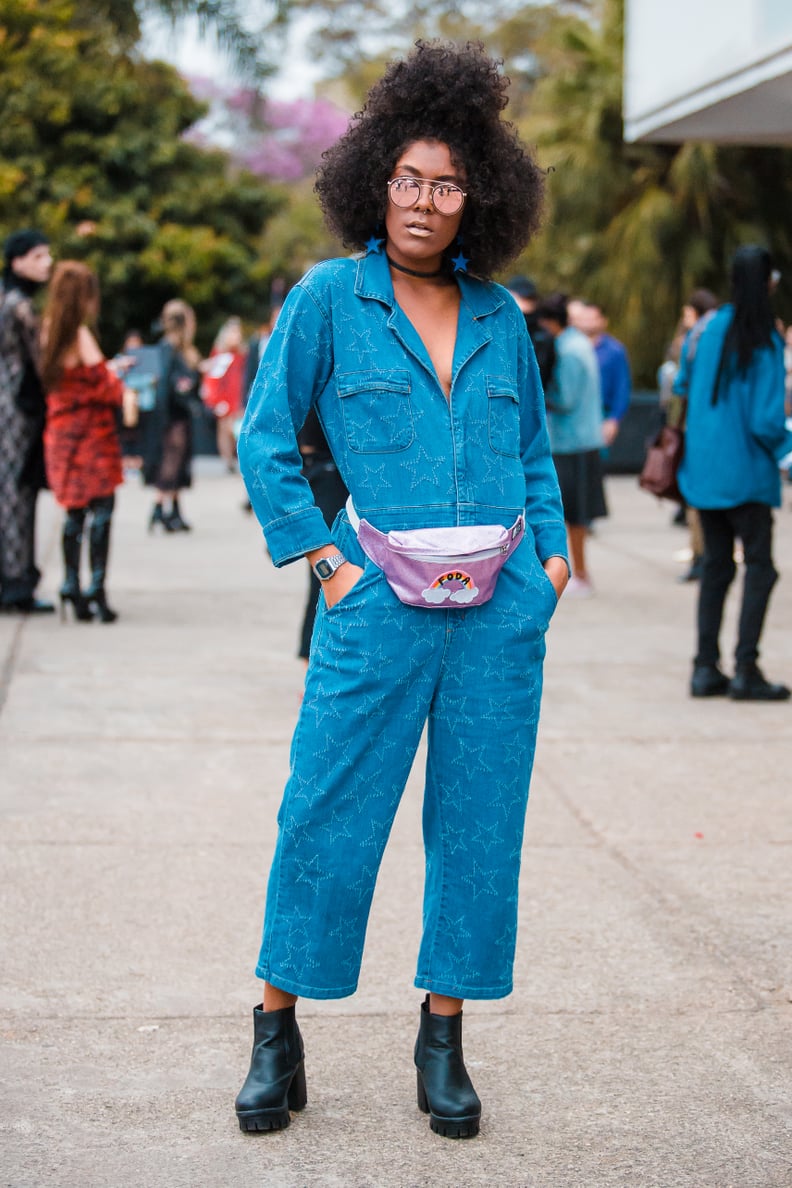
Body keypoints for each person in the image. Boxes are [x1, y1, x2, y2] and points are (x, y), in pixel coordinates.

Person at [236, 40, 568, 1140]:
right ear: (376, 181)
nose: (427, 201)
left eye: (448, 182)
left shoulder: (500, 316)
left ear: (480, 195)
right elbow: (266, 438)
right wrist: (322, 563)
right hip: (373, 607)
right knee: (325, 815)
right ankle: (276, 1031)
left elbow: (531, 454)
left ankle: (444, 1036)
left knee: (477, 829)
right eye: (409, 179)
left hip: (495, 617)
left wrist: (550, 562)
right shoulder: (332, 299)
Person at [678, 246, 791, 701]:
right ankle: (747, 668)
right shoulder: (764, 337)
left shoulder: (707, 328)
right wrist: (787, 448)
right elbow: (766, 420)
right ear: (766, 282)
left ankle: (705, 668)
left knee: (717, 569)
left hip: (703, 473)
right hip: (747, 475)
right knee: (760, 569)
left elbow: (683, 386)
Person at [41, 262, 125, 622]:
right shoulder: (81, 336)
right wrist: (115, 374)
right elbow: (106, 389)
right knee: (102, 511)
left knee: (74, 511)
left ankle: (70, 583)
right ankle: (96, 589)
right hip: (92, 437)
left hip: (61, 435)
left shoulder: (48, 334)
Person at [536, 293, 606, 596]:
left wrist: (539, 395)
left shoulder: (570, 350)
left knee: (574, 514)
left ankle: (581, 573)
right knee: (574, 513)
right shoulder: (579, 343)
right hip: (580, 440)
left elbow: (566, 399)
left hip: (572, 443)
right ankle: (579, 572)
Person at [0, 229, 55, 613]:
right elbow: (42, 366)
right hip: (18, 411)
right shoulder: (20, 306)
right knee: (17, 496)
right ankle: (17, 585)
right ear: (16, 261)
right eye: (38, 256)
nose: (47, 263)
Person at [671, 289, 719, 582]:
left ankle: (700, 555)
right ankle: (711, 554)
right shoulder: (726, 333)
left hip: (694, 424)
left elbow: (680, 383)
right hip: (720, 426)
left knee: (694, 497)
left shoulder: (695, 338)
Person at [141, 300, 201, 533]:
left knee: (179, 462)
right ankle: (158, 509)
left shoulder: (179, 349)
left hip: (178, 414)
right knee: (172, 462)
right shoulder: (169, 348)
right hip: (172, 416)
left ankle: (173, 511)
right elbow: (169, 384)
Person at [295, 408, 348, 664]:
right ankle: (313, 664)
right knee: (325, 581)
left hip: (322, 473)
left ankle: (312, 662)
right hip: (329, 477)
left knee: (322, 582)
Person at [575, 301, 631, 447]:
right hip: (573, 416)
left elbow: (622, 388)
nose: (587, 323)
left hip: (601, 415)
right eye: (584, 318)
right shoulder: (568, 348)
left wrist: (614, 419)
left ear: (602, 321)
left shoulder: (614, 350)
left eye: (592, 318)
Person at [201, 316, 247, 470]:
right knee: (224, 428)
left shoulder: (243, 356)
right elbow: (212, 379)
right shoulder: (219, 355)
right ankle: (228, 460)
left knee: (236, 429)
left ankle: (237, 457)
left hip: (238, 396)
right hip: (223, 397)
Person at [505, 275, 556, 391]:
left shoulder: (543, 336)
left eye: (529, 299)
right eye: (521, 298)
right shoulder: (500, 327)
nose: (526, 303)